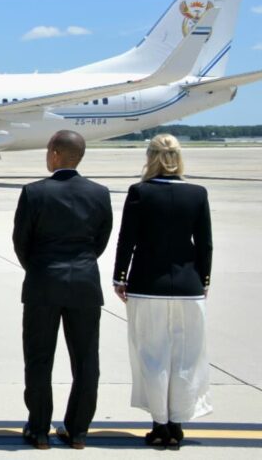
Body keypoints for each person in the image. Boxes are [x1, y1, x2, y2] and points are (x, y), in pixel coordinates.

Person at [12, 130, 113, 450]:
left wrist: (40, 267)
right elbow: (101, 239)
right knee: (86, 361)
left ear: (55, 154)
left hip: (43, 281)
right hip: (84, 282)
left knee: (39, 359)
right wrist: (80, 264)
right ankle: (78, 430)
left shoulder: (34, 192)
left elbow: (21, 242)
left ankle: (40, 430)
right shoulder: (99, 193)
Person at [112, 134, 213, 449]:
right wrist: (204, 279)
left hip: (147, 285)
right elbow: (205, 243)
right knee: (186, 357)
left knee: (152, 356)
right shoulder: (197, 194)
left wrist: (120, 277)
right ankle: (177, 423)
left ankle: (159, 424)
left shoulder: (140, 192)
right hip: (188, 286)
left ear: (151, 157)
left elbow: (127, 239)